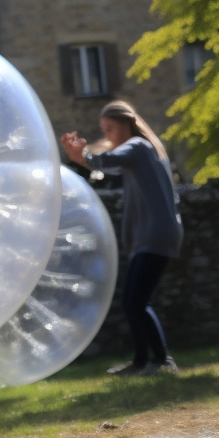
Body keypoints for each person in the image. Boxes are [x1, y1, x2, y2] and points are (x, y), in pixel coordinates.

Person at [61, 100, 182, 376]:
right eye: (105, 130)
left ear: (126, 124)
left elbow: (109, 159)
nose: (109, 135)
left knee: (135, 302)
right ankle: (142, 362)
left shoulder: (138, 147)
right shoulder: (140, 153)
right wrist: (84, 157)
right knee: (134, 302)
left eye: (111, 128)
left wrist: (84, 157)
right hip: (153, 236)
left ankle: (162, 362)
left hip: (156, 235)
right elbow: (109, 161)